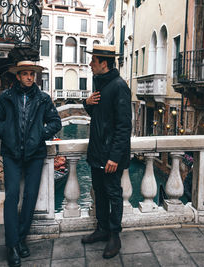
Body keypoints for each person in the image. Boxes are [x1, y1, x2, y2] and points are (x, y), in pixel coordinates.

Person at [0, 60, 62, 267]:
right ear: (18, 76)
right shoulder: (6, 98)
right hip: (11, 154)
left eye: (32, 74)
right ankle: (12, 246)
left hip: (35, 154)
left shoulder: (43, 99)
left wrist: (41, 134)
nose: (30, 77)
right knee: (12, 197)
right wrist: (8, 134)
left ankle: (20, 239)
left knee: (30, 197)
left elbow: (55, 122)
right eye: (25, 74)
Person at [81, 45, 132, 259]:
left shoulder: (119, 86)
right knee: (99, 192)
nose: (90, 64)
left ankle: (114, 235)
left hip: (110, 154)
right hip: (96, 151)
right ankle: (102, 229)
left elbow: (124, 126)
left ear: (104, 63)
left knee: (113, 193)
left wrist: (114, 157)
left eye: (93, 60)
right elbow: (98, 115)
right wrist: (87, 103)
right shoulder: (100, 84)